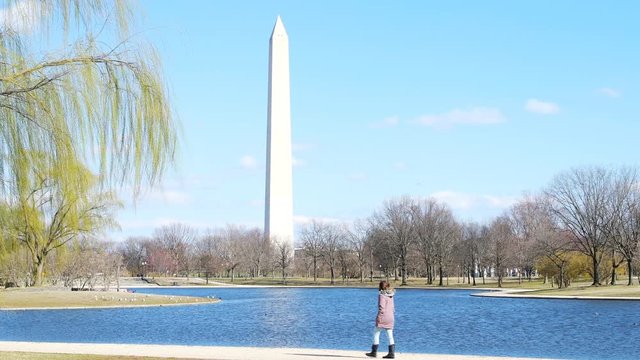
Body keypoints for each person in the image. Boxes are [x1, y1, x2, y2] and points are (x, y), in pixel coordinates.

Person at [365, 280, 395, 359]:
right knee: (390, 335)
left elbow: (381, 307)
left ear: (380, 286)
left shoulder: (382, 295)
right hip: (391, 317)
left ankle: (374, 352)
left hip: (383, 317)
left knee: (376, 333)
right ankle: (391, 353)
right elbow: (392, 307)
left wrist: (379, 317)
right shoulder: (391, 295)